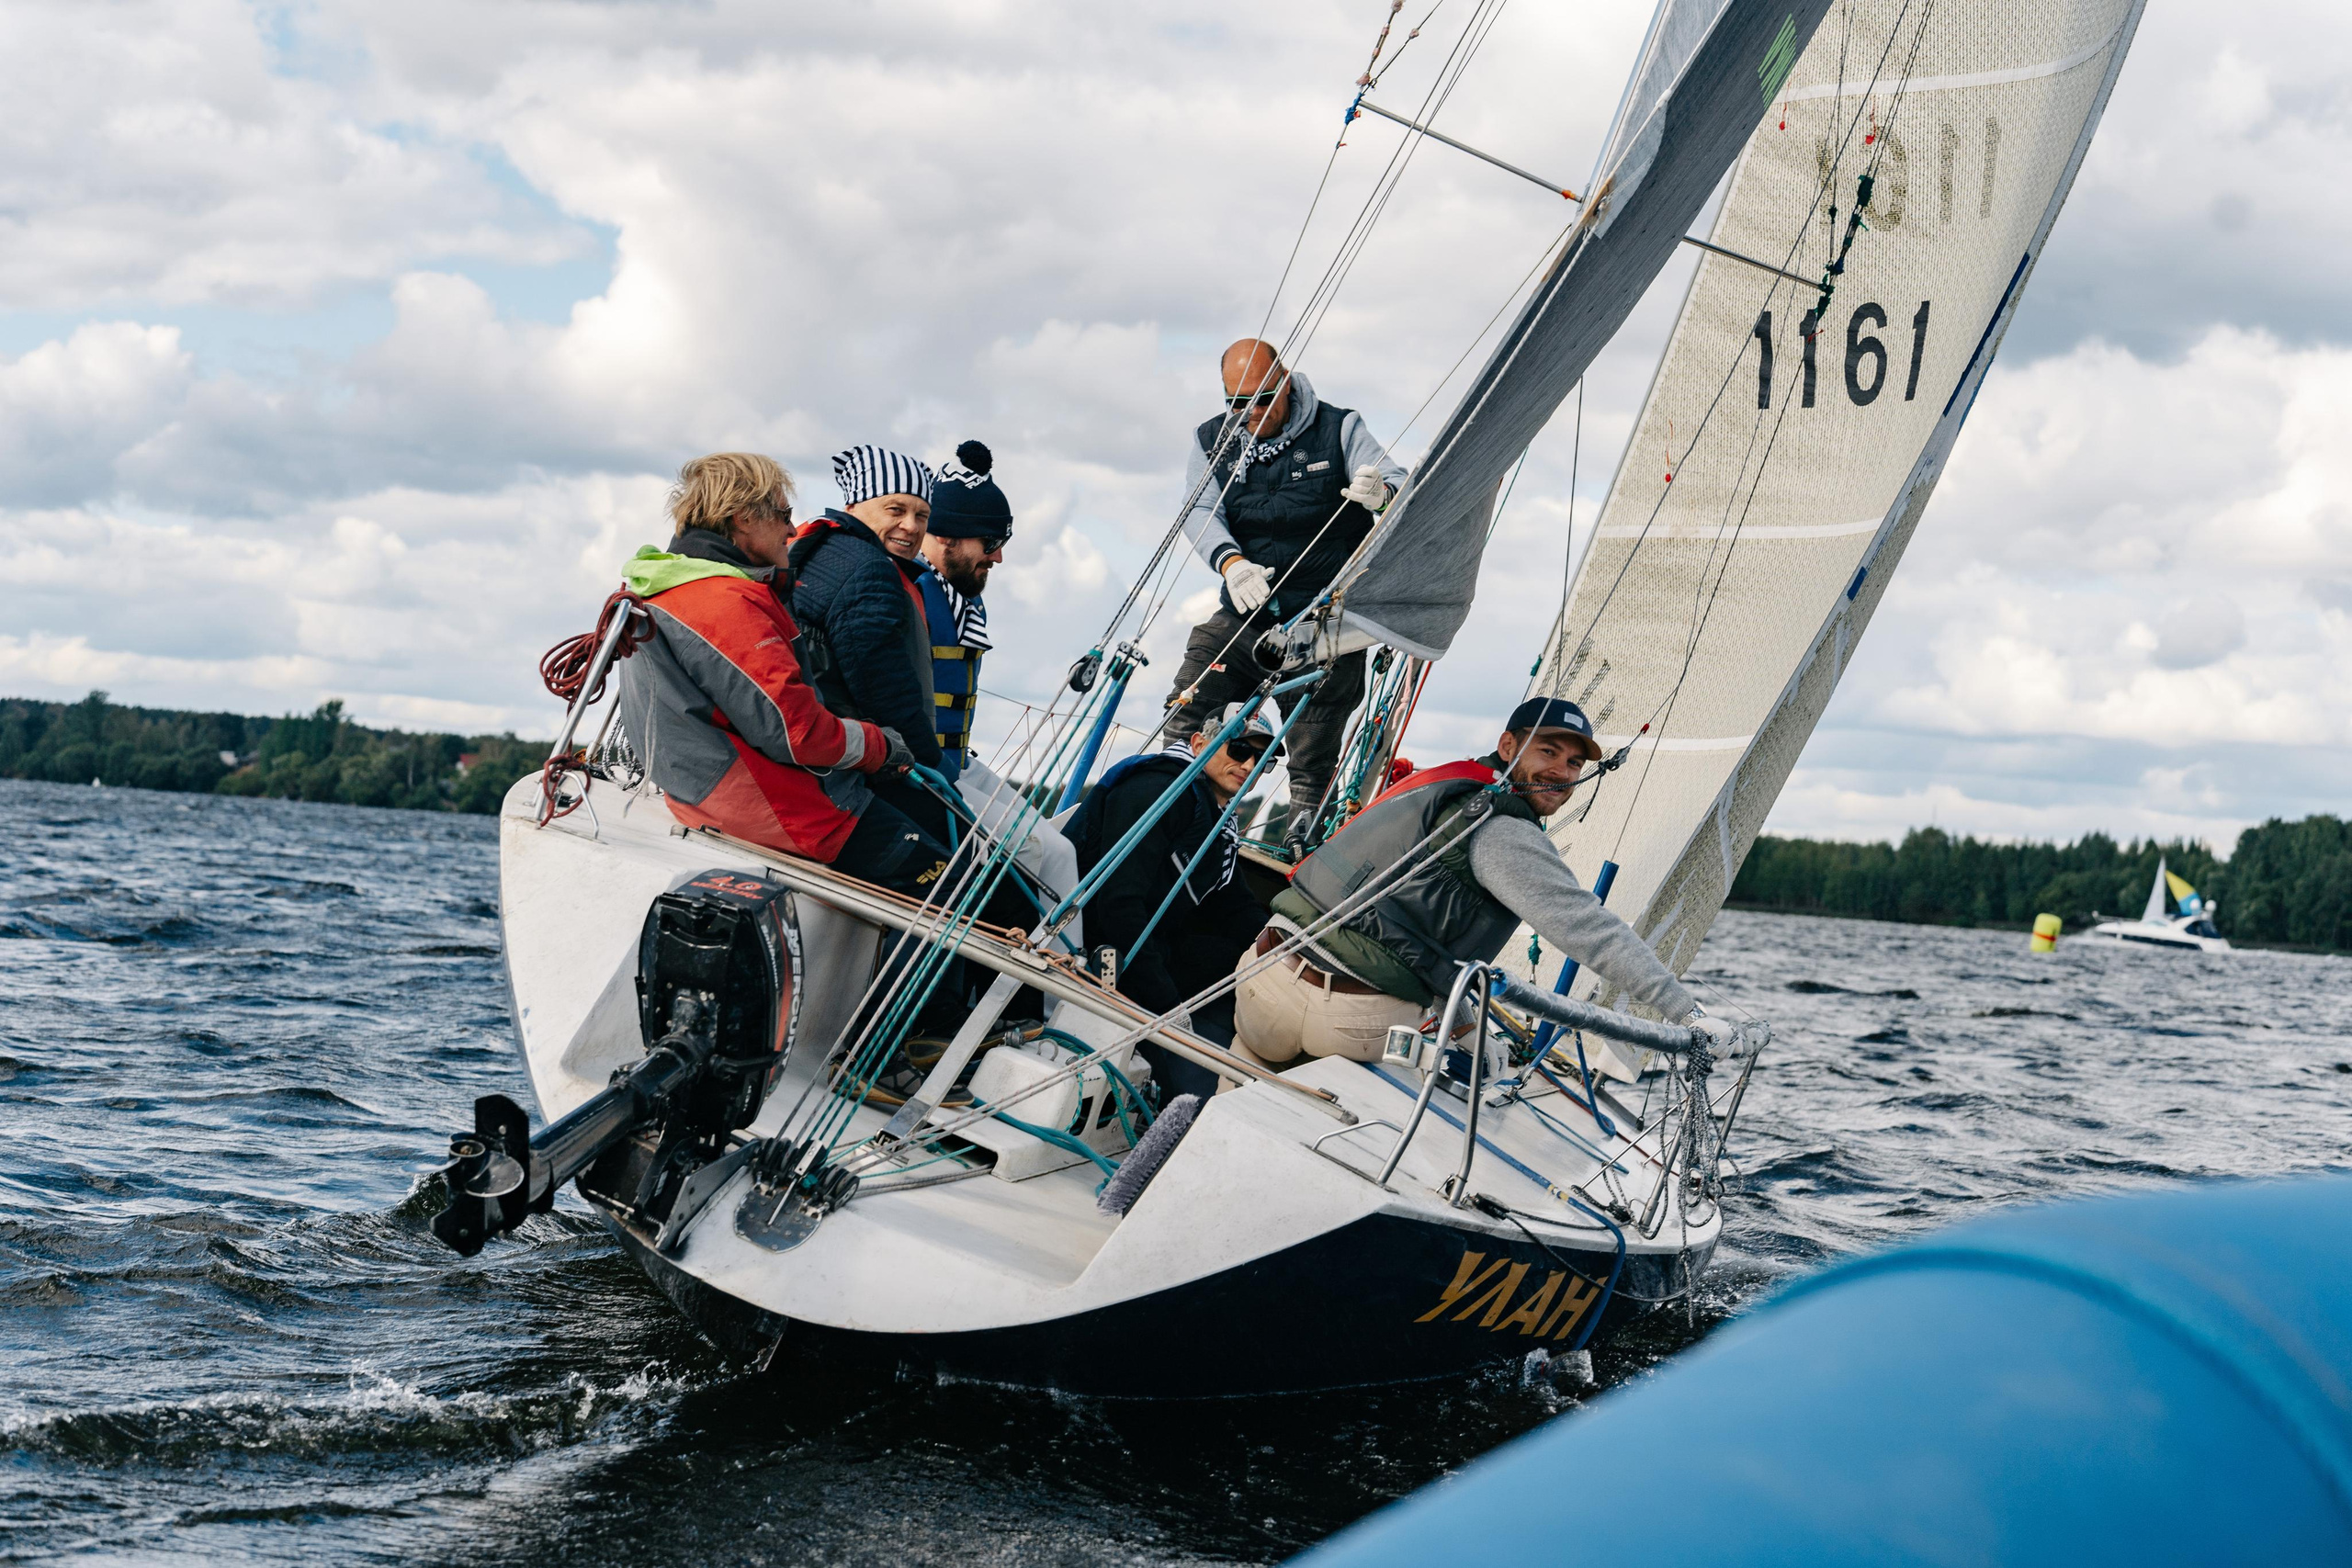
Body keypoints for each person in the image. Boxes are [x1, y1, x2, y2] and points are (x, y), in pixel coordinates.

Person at [1234, 696, 1729, 1070]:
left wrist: (1469, 1028)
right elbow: (1591, 931)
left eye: (1574, 763)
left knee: (1221, 1113)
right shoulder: (1502, 829)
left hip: (1262, 975)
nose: (1561, 771)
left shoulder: (1445, 789)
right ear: (1509, 746)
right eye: (1548, 751)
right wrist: (1686, 1014)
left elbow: (1410, 927)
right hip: (1346, 1019)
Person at [614, 452, 945, 889]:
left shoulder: (664, 583)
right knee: (963, 886)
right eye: (783, 514)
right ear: (743, 518)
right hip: (779, 809)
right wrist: (881, 745)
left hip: (706, 795)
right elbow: (799, 733)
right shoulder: (724, 602)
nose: (792, 529)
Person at [1162, 337, 1407, 860]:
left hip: (1325, 623)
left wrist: (1380, 495)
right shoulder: (1214, 440)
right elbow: (1200, 508)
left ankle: (1300, 845)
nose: (1250, 413)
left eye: (1263, 398)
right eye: (1236, 403)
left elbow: (1399, 483)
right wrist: (1231, 563)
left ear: (1287, 381)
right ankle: (1162, 800)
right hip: (1248, 612)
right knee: (1193, 691)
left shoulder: (1340, 427)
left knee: (1313, 756)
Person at [1064, 709, 1280, 1100]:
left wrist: (1282, 944)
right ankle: (1185, 1098)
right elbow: (1118, 904)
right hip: (1098, 950)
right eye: (1240, 748)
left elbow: (1233, 904)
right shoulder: (1157, 792)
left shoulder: (1216, 821)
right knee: (1183, 1088)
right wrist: (1168, 1007)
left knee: (1239, 960)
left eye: (1262, 759)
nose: (1249, 764)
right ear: (1199, 743)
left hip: (1151, 945)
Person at [917, 440, 1011, 781]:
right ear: (945, 534)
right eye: (990, 543)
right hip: (919, 771)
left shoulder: (966, 598)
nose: (998, 557)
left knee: (1053, 838)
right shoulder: (907, 592)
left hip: (958, 764)